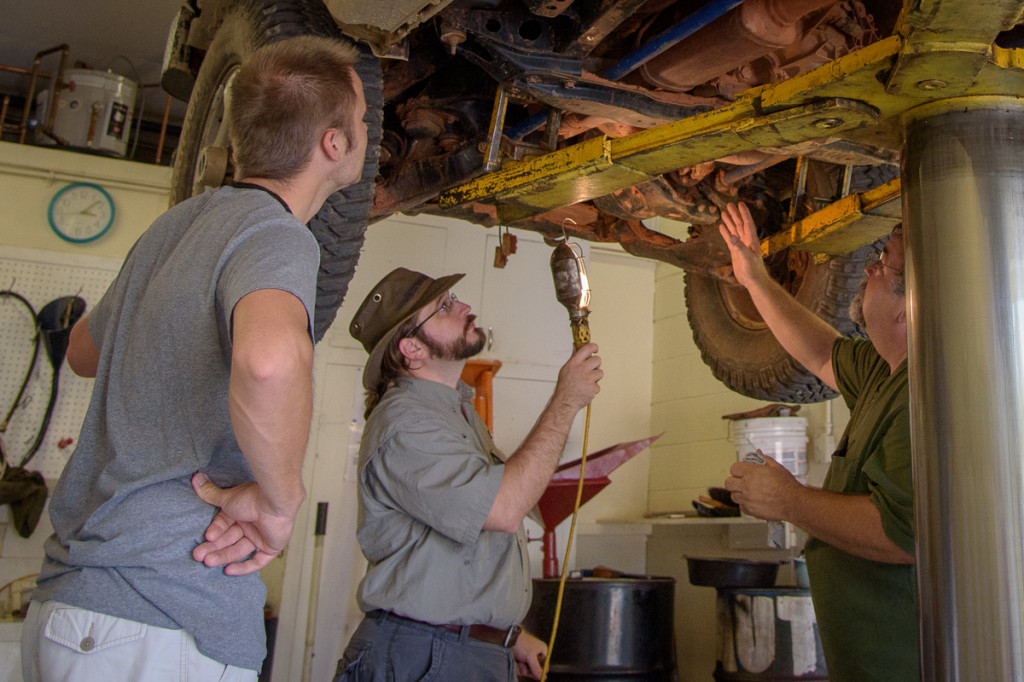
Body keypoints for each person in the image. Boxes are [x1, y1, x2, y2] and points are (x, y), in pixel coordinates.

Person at [21, 35, 369, 682]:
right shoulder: (275, 235)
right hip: (160, 614)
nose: (367, 132)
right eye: (362, 122)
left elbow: (82, 352)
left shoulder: (175, 227)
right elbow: (269, 360)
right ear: (332, 144)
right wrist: (280, 498)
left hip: (71, 603)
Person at [333, 267, 603, 681]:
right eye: (444, 307)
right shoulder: (407, 423)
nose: (464, 306)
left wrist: (507, 638)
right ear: (412, 348)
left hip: (456, 652)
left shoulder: (454, 412)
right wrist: (565, 402)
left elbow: (461, 555)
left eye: (452, 298)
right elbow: (503, 508)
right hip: (425, 656)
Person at [719, 202, 918, 681]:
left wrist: (790, 499)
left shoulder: (924, 392)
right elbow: (821, 351)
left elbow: (904, 535)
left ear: (909, 304)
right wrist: (755, 279)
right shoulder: (883, 371)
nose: (868, 268)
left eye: (882, 261)